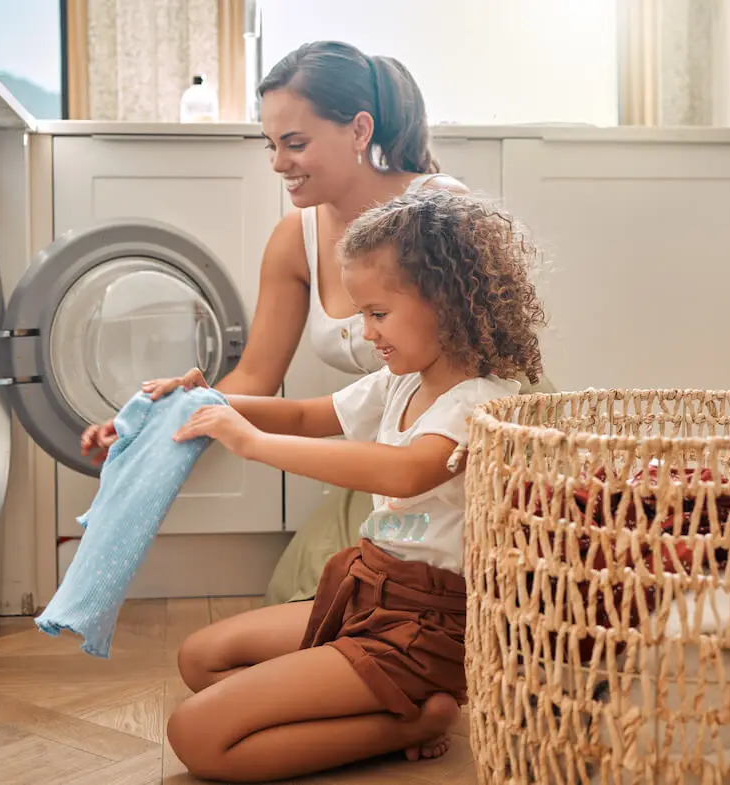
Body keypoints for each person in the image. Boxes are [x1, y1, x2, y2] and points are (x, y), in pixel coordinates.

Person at [80, 40, 554, 606]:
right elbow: (256, 376)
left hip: (484, 440)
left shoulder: (432, 211)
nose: (280, 162)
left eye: (296, 143)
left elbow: (483, 349)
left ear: (358, 131)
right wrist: (160, 419)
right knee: (297, 594)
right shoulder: (294, 239)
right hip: (395, 433)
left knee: (472, 584)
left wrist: (250, 439)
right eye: (272, 146)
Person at [147, 189, 547, 782]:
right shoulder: (402, 382)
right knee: (201, 659)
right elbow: (310, 416)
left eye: (377, 314)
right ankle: (394, 714)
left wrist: (251, 443)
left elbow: (405, 471)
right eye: (361, 314)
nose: (365, 333)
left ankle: (414, 718)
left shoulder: (482, 402)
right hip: (367, 589)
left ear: (448, 303)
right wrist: (210, 400)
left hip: (426, 626)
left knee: (196, 736)